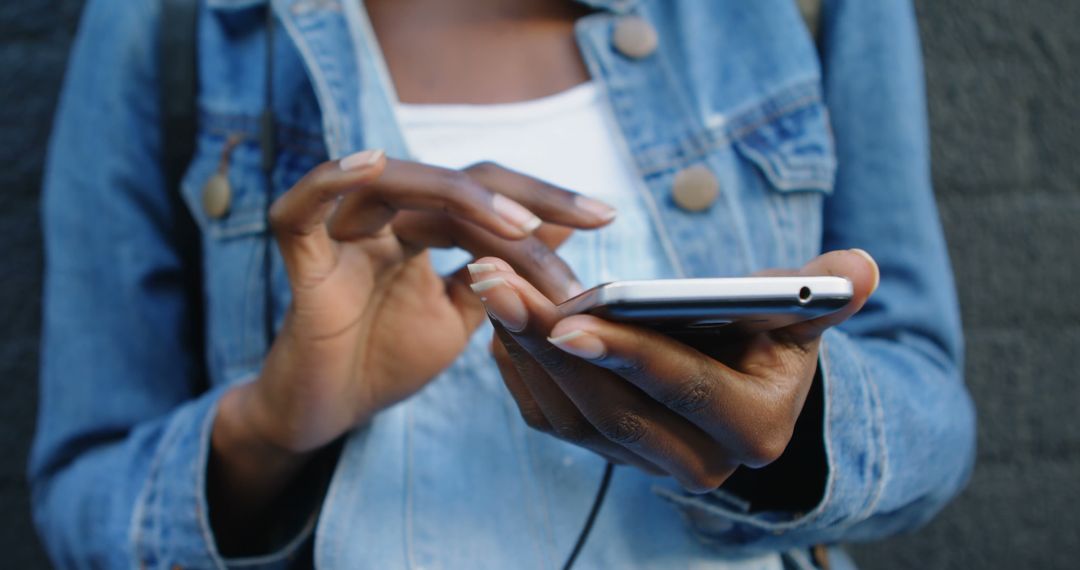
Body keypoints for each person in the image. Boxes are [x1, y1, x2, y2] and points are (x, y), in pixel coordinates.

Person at [30, 0, 976, 568]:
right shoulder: (169, 21)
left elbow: (934, 415)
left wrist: (795, 427)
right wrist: (274, 423)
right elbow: (82, 497)